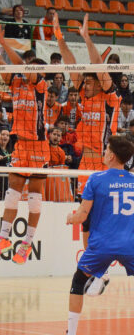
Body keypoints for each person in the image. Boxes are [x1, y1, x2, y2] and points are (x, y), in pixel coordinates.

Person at [0, 21, 49, 265]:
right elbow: (1, 63)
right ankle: (3, 238)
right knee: (11, 195)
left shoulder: (41, 86)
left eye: (31, 67)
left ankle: (26, 243)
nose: (27, 69)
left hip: (38, 144)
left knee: (34, 199)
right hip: (21, 144)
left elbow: (19, 65)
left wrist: (4, 43)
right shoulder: (16, 81)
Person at [65, 136, 134, 335]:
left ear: (111, 156)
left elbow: (81, 216)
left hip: (102, 245)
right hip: (130, 245)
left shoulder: (96, 179)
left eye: (105, 150)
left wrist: (70, 217)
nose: (103, 153)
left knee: (79, 281)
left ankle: (71, 332)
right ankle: (101, 278)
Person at [54, 12, 120, 196]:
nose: (86, 85)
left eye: (90, 82)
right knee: (84, 209)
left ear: (101, 83)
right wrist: (59, 37)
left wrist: (87, 38)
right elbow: (70, 63)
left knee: (104, 210)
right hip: (86, 162)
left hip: (106, 161)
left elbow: (98, 64)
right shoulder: (85, 94)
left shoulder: (110, 97)